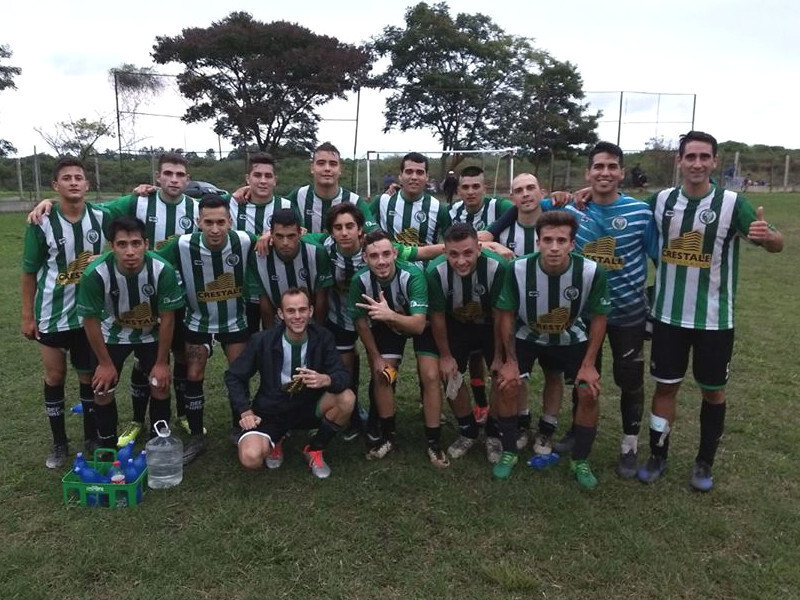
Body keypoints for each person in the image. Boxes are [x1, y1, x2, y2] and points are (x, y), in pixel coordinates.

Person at [637, 131, 783, 491]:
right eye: (691, 157)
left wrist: (767, 238)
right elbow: (621, 211)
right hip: (668, 317)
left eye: (705, 157)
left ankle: (704, 463)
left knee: (713, 392)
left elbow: (777, 243)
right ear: (680, 161)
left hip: (715, 321)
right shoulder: (661, 200)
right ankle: (658, 454)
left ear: (715, 161)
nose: (697, 163)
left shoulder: (733, 203)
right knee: (665, 389)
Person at [26, 152, 199, 446]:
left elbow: (226, 210)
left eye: (180, 174)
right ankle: (101, 440)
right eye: (167, 173)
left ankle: (166, 427)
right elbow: (80, 204)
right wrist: (50, 204)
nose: (174, 179)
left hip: (172, 299)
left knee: (170, 365)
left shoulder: (192, 212)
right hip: (100, 318)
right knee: (84, 379)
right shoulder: (135, 206)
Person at [535, 142, 654, 478]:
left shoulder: (641, 213)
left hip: (628, 313)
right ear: (588, 172)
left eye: (612, 166)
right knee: (582, 377)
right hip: (583, 314)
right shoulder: (574, 211)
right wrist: (559, 195)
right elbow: (529, 205)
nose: (605, 172)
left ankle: (629, 444)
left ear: (621, 172)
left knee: (629, 379)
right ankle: (578, 431)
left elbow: (660, 259)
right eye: (598, 167)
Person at [494, 211, 610, 487]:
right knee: (508, 384)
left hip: (571, 337)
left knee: (588, 392)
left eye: (561, 240)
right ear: (538, 242)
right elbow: (507, 315)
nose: (554, 247)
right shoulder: (518, 269)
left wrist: (589, 364)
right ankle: (509, 451)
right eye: (548, 240)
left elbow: (599, 317)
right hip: (527, 335)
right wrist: (509, 360)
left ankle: (580, 460)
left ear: (572, 244)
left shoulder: (592, 271)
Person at [21, 157, 121, 467]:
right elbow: (28, 271)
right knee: (54, 375)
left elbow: (136, 202)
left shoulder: (101, 216)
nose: (74, 182)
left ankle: (91, 436)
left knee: (88, 376)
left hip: (88, 315)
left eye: (79, 177)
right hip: (52, 314)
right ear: (56, 185)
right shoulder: (42, 223)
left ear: (88, 185)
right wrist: (27, 315)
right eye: (67, 178)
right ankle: (59, 442)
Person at [157, 194, 260, 463]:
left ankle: (239, 428)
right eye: (209, 222)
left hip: (234, 320)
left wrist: (270, 236)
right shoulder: (181, 244)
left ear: (230, 221)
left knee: (239, 375)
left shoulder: (245, 240)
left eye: (221, 222)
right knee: (194, 373)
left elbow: (273, 242)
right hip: (197, 320)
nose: (215, 229)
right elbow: (153, 263)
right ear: (197, 222)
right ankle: (197, 437)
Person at [76, 216, 184, 449]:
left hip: (150, 334)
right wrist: (105, 364)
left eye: (136, 243)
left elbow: (167, 319)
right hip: (111, 333)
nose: (130, 251)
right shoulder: (95, 274)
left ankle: (159, 440)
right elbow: (90, 321)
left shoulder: (161, 270)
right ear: (111, 246)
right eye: (122, 244)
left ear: (146, 244)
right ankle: (106, 444)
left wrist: (163, 362)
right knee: (102, 388)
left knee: (159, 383)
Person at [225, 288, 355, 479]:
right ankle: (275, 440)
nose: (297, 316)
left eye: (302, 310)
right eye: (291, 311)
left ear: (310, 311)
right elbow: (234, 376)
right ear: (280, 314)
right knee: (250, 458)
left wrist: (326, 379)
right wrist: (244, 411)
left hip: (308, 408)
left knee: (347, 398)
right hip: (271, 411)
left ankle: (314, 449)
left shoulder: (323, 337)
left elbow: (343, 375)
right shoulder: (262, 341)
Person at [348, 230, 450, 467]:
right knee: (383, 375)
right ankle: (388, 436)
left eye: (386, 254)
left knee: (431, 375)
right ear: (365, 258)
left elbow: (416, 325)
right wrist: (375, 357)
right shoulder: (359, 281)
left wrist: (390, 314)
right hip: (388, 325)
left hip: (421, 324)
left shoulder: (412, 275)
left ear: (395, 253)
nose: (381, 261)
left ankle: (433, 442)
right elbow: (360, 322)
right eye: (374, 256)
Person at [426, 223, 508, 462]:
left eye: (467, 253)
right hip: (456, 324)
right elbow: (438, 317)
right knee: (450, 373)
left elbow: (500, 314)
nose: (461, 261)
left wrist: (500, 355)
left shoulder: (498, 267)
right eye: (453, 254)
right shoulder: (435, 271)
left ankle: (494, 431)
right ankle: (468, 429)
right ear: (445, 252)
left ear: (479, 249)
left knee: (502, 373)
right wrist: (445, 356)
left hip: (489, 323)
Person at [448, 165, 514, 426]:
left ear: (485, 188)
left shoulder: (501, 206)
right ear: (459, 189)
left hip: (494, 291)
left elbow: (529, 204)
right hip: (462, 294)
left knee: (495, 359)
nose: (471, 191)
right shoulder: (453, 212)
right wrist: (491, 243)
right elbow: (451, 244)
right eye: (465, 186)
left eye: (476, 186)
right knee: (472, 357)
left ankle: (505, 416)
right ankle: (481, 404)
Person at [227, 153, 297, 333]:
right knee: (246, 346)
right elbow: (202, 204)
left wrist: (271, 235)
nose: (263, 181)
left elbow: (301, 232)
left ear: (275, 180)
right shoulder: (232, 204)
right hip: (242, 288)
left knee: (276, 341)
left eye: (268, 176)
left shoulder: (287, 205)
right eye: (257, 175)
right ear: (247, 179)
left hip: (277, 287)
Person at [250, 208, 333, 329]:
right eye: (279, 236)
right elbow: (265, 302)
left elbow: (321, 299)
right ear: (271, 233)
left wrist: (318, 331)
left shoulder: (316, 253)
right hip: (278, 318)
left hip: (311, 318)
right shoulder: (259, 256)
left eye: (291, 236)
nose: (285, 242)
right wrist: (270, 336)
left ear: (300, 233)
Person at [286, 141, 377, 233]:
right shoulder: (297, 196)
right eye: (321, 163)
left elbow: (375, 234)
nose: (327, 168)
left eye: (333, 164)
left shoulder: (355, 201)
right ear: (312, 168)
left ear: (340, 169)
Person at [372, 152, 452, 248]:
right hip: (391, 262)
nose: (414, 177)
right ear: (400, 176)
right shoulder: (382, 202)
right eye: (409, 172)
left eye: (420, 172)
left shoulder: (439, 208)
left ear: (427, 177)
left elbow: (451, 245)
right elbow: (360, 223)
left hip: (425, 263)